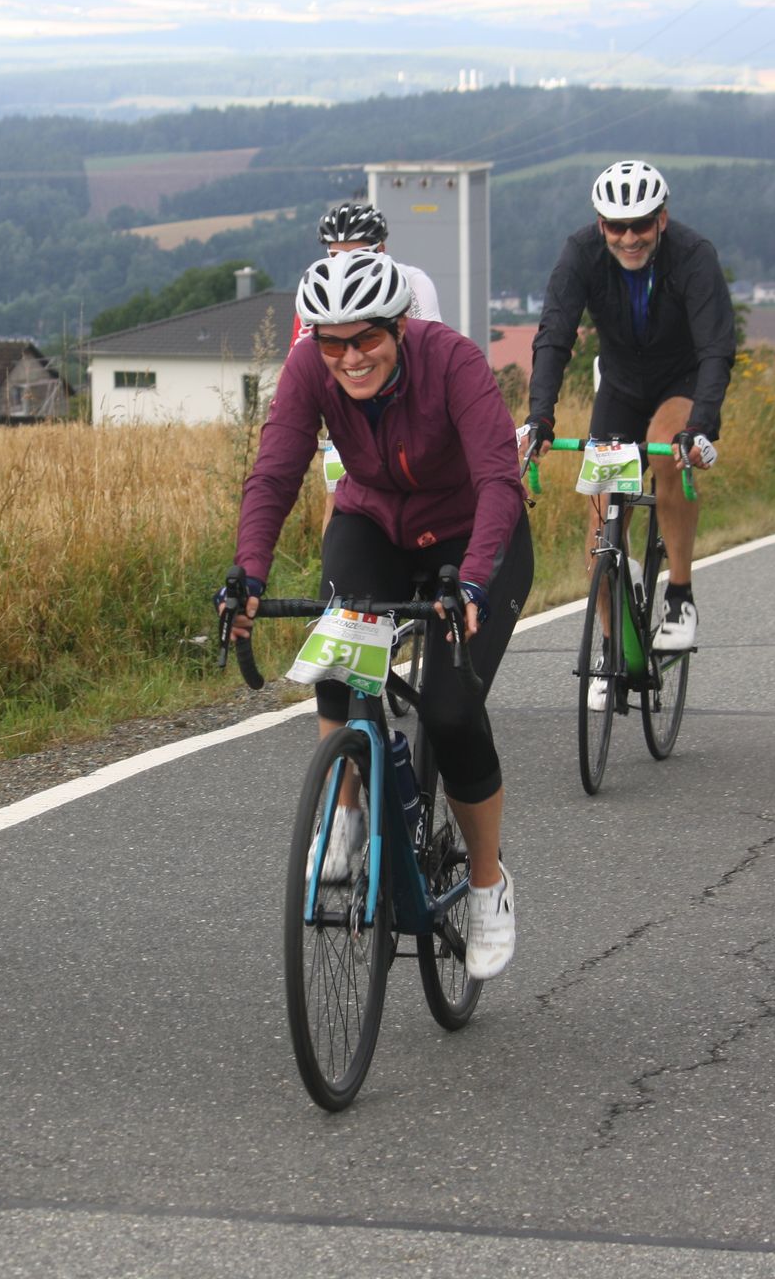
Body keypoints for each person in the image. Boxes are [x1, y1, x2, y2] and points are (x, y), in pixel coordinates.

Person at [228, 251, 532, 981]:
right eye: (332, 342)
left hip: (470, 535)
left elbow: (499, 480)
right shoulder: (309, 369)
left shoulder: (452, 361)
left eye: (366, 337)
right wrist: (248, 574)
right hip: (373, 525)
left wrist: (474, 586)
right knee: (337, 659)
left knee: (451, 712)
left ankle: (487, 882)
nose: (350, 357)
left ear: (398, 326)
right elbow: (275, 472)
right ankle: (348, 816)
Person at [526, 160, 734, 672]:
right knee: (599, 529)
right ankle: (611, 648)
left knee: (666, 448)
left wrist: (700, 427)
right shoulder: (581, 253)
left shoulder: (693, 255)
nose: (629, 238)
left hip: (682, 383)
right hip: (620, 386)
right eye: (616, 227)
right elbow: (555, 334)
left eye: (640, 224)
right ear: (601, 225)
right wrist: (541, 416)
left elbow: (716, 349)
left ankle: (680, 596)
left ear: (661, 219)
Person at [303, 201, 445, 536]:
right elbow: (303, 354)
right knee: (336, 497)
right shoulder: (321, 288)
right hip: (351, 405)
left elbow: (432, 348)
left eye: (357, 254)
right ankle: (334, 569)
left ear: (382, 250)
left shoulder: (412, 282)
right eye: (334, 256)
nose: (344, 264)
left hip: (404, 402)